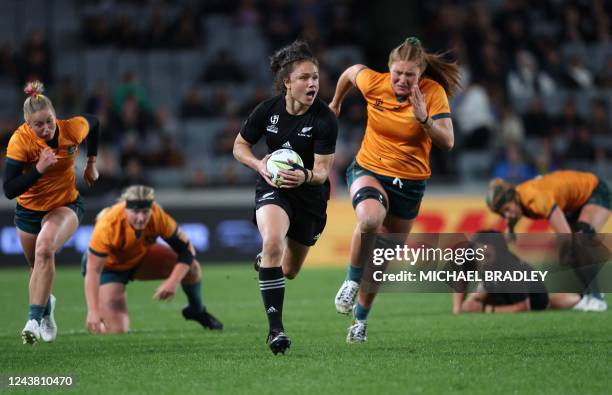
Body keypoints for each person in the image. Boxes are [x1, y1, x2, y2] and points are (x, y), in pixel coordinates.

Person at [329, 37, 460, 343]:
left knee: (381, 260)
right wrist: (336, 102)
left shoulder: (432, 93)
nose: (402, 80)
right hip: (369, 169)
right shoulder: (374, 83)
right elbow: (351, 72)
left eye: (409, 75)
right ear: (389, 69)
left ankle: (359, 321)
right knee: (370, 219)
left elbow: (448, 142)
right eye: (397, 73)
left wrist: (425, 118)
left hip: (410, 185)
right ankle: (350, 281)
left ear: (421, 75)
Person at [233, 40, 338, 354]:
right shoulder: (267, 110)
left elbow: (321, 171)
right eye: (305, 78)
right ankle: (275, 331)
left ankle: (266, 262)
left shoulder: (324, 118)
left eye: (316, 78)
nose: (313, 84)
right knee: (273, 243)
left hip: (310, 196)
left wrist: (304, 175)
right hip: (274, 187)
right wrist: (259, 164)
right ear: (287, 83)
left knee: (289, 270)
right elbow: (240, 147)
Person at [3, 81, 100, 345]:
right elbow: (9, 190)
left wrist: (91, 162)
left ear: (56, 116)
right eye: (39, 125)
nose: (46, 128)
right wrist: (38, 170)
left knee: (44, 249)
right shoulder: (20, 141)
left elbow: (95, 122)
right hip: (28, 212)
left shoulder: (71, 129)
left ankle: (33, 320)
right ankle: (47, 309)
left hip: (65, 205)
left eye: (49, 121)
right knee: (38, 267)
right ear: (28, 125)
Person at [83, 185, 223, 334]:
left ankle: (196, 310)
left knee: (192, 267)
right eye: (135, 211)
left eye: (145, 211)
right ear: (125, 209)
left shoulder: (157, 215)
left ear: (151, 208)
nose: (141, 218)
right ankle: (101, 323)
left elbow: (187, 251)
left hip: (140, 259)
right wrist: (93, 311)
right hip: (109, 268)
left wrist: (173, 281)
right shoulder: (108, 224)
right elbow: (93, 270)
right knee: (117, 329)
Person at [486, 170, 611, 312]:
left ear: (513, 199)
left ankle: (597, 298)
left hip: (595, 191)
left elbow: (565, 235)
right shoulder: (517, 197)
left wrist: (563, 253)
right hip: (573, 203)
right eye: (503, 213)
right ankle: (591, 295)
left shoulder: (536, 198)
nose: (507, 215)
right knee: (572, 250)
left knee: (578, 241)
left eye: (507, 209)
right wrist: (511, 229)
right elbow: (513, 215)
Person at [452, 231, 581, 314]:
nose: (482, 260)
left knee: (545, 303)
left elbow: (523, 307)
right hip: (494, 285)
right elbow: (462, 279)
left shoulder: (511, 269)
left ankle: (580, 299)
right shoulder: (471, 254)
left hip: (532, 293)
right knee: (472, 302)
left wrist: (486, 309)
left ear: (498, 254)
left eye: (487, 256)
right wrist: (457, 309)